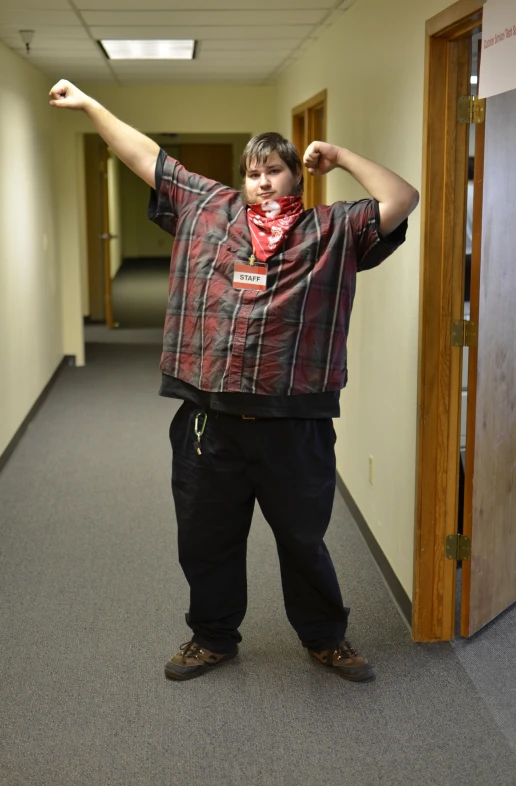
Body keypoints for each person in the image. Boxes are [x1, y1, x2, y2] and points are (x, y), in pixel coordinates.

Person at [49, 79, 419, 684]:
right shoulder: (207, 211)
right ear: (242, 179)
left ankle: (326, 638)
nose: (264, 182)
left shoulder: (331, 231)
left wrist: (342, 155)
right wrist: (90, 106)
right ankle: (212, 637)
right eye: (254, 173)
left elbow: (403, 197)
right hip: (208, 422)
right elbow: (146, 156)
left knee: (304, 542)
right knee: (206, 541)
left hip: (294, 423)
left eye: (276, 171)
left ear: (297, 179)